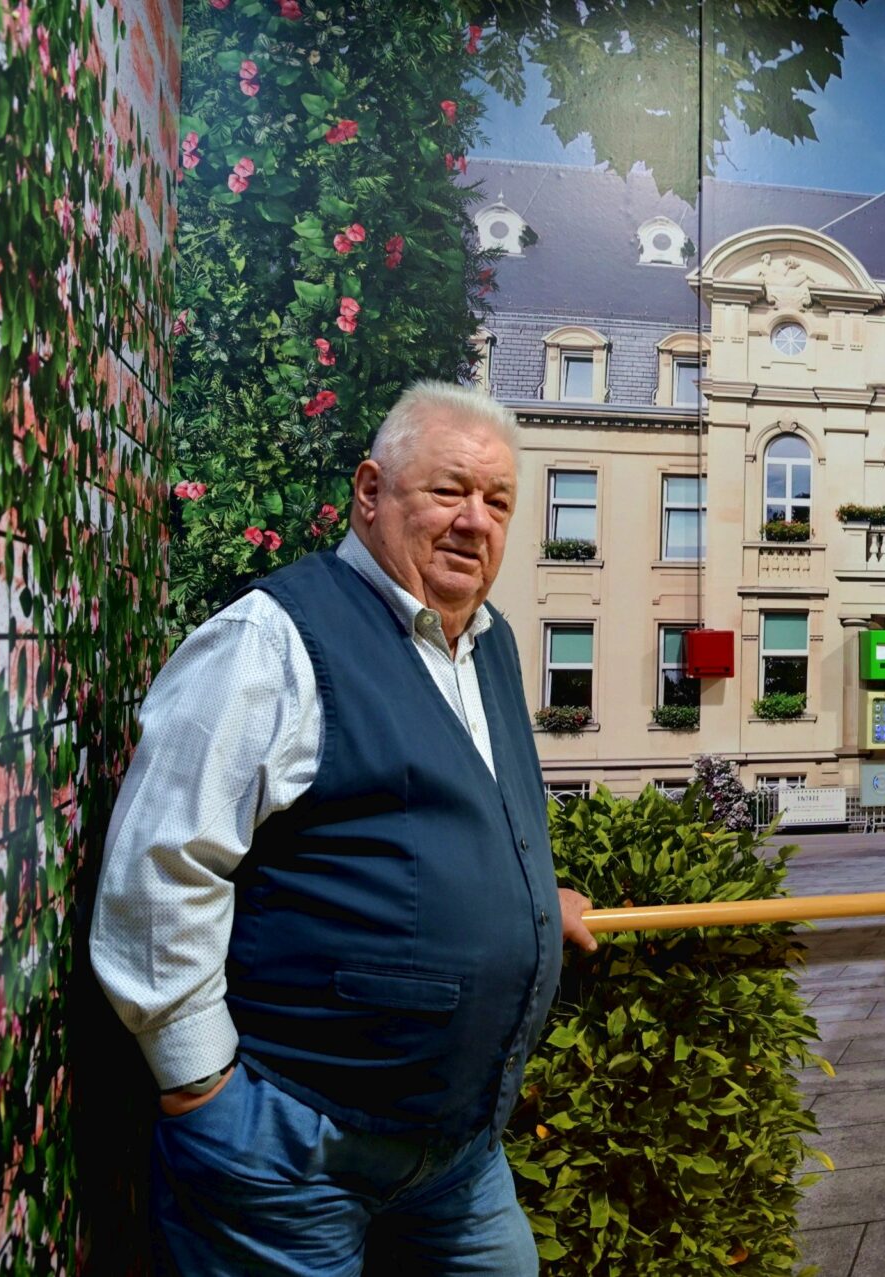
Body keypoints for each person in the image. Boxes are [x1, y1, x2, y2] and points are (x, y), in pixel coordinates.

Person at [91, 381, 598, 1275]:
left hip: (457, 1153)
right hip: (292, 1148)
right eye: (448, 491)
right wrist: (202, 1087)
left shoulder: (492, 642)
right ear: (370, 492)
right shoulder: (272, 639)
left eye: (498, 501)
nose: (475, 521)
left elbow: (445, 823)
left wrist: (528, 905)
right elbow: (162, 861)